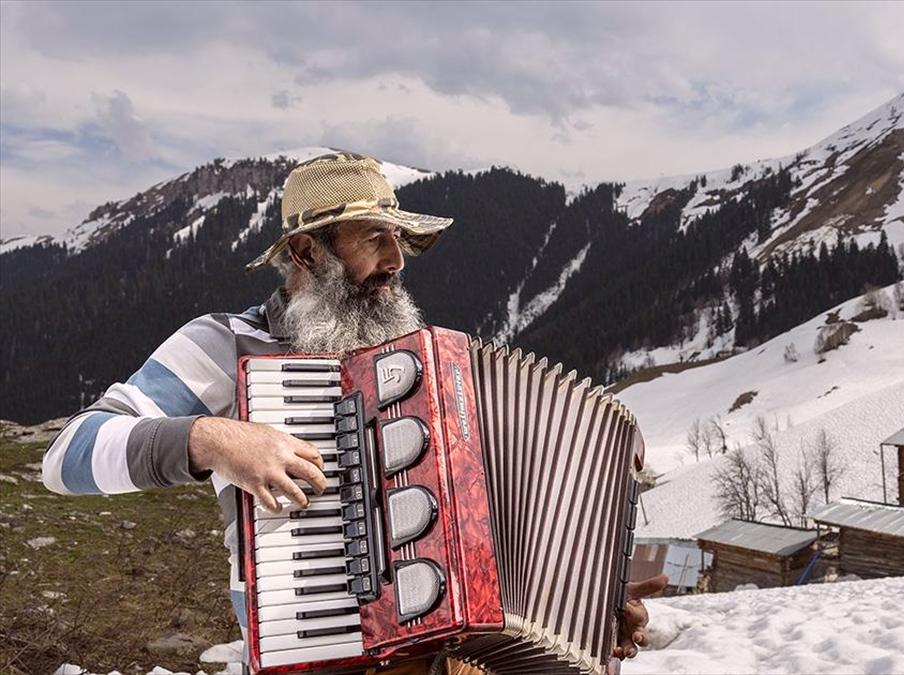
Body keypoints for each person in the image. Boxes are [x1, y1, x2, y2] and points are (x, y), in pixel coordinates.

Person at [41, 150, 667, 669]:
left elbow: (499, 533)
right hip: (309, 652)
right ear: (309, 253)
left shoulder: (431, 372)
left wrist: (584, 605)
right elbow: (67, 455)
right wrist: (211, 438)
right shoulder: (225, 345)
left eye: (399, 241)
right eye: (375, 239)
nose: (396, 262)